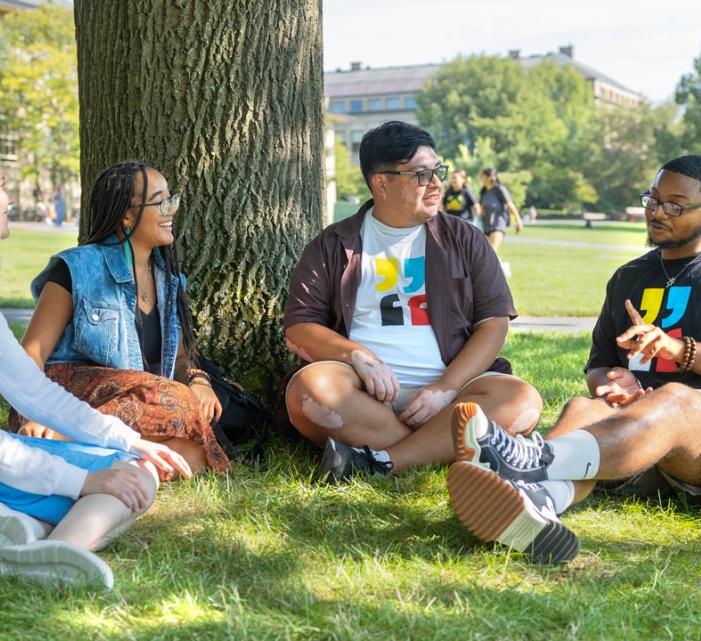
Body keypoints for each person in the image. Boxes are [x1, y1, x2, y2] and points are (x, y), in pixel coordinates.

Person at [446, 155, 701, 564]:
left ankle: (530, 459)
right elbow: (599, 364)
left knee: (676, 398)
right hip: (637, 444)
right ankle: (536, 503)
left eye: (674, 205)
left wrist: (678, 350)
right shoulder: (628, 277)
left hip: (694, 443)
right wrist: (608, 384)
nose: (656, 212)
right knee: (584, 408)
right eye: (652, 200)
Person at [283, 121, 542, 481]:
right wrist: (359, 358)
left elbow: (493, 323)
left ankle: (381, 462)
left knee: (521, 401)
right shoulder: (333, 244)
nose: (437, 183)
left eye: (438, 170)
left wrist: (444, 389)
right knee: (308, 391)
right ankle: (446, 451)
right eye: (421, 174)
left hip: (454, 393)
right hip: (366, 398)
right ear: (381, 182)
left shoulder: (465, 239)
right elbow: (300, 326)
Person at [0, 169, 192, 588]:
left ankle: (31, 539)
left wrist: (126, 439)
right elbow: (36, 364)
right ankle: (48, 556)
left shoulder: (168, 277)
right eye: (0, 187)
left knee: (135, 470)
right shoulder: (79, 268)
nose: (8, 197)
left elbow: (30, 389)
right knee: (117, 480)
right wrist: (82, 479)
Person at [19, 161, 228, 475]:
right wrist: (35, 413)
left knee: (193, 450)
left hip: (141, 406)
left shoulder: (170, 282)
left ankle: (89, 460)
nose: (172, 210)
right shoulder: (76, 269)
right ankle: (59, 438)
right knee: (173, 400)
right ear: (127, 215)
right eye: (161, 202)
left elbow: (181, 358)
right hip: (64, 402)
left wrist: (200, 381)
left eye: (173, 199)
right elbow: (32, 353)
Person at [479, 168, 523, 252]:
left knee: (492, 251)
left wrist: (518, 220)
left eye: (483, 176)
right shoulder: (483, 191)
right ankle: (502, 265)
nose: (480, 178)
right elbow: (481, 209)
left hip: (498, 224)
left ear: (490, 177)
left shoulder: (499, 189)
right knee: (488, 254)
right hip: (486, 226)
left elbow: (510, 205)